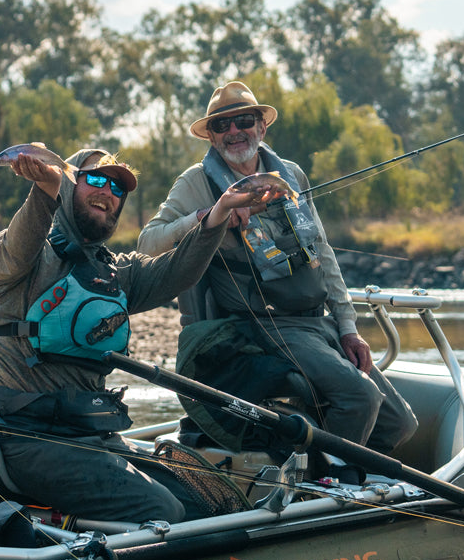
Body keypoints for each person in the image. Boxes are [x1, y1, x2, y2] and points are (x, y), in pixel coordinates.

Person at [0, 147, 277, 524]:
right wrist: (45, 189)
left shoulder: (117, 273)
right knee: (161, 509)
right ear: (68, 186)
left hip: (93, 437)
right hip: (23, 437)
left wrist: (219, 214)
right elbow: (19, 249)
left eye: (118, 188)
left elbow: (178, 272)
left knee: (206, 503)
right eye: (96, 179)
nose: (108, 191)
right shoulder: (19, 256)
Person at [138, 81, 418, 455]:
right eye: (222, 126)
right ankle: (331, 480)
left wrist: (348, 328)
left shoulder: (291, 174)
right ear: (211, 137)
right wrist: (209, 216)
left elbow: (322, 253)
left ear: (261, 127)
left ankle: (330, 469)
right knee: (361, 397)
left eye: (243, 121)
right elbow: (147, 243)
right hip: (264, 323)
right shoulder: (196, 182)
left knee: (401, 422)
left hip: (317, 321)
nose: (234, 132)